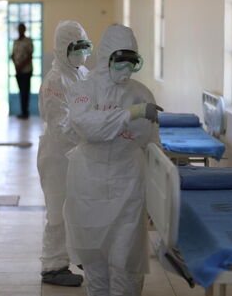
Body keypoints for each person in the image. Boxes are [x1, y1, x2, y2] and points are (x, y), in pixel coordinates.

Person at [63, 24, 163, 296]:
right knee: (95, 264)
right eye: (121, 61)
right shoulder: (84, 89)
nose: (127, 70)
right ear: (107, 57)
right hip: (89, 185)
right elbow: (88, 126)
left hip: (128, 184)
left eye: (132, 62)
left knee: (125, 262)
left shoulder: (141, 93)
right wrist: (132, 113)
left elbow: (152, 143)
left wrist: (157, 193)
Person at [37, 20, 92, 286]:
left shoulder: (81, 73)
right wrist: (89, 136)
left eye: (84, 46)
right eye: (76, 47)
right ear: (63, 48)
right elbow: (60, 125)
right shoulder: (55, 81)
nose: (81, 53)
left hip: (78, 154)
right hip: (58, 155)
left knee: (79, 208)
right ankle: (53, 267)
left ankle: (79, 254)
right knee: (58, 212)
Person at [11, 23, 33, 119]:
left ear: (24, 30)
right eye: (19, 29)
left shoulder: (28, 41)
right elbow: (12, 55)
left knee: (25, 92)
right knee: (21, 91)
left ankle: (26, 112)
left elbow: (29, 55)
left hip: (26, 71)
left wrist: (21, 66)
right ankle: (22, 111)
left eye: (22, 29)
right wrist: (16, 65)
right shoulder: (15, 42)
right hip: (18, 71)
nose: (20, 30)